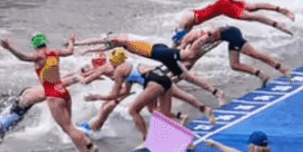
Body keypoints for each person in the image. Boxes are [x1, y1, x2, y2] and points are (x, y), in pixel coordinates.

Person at [0, 33, 99, 152]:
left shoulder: (38, 56)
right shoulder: (54, 52)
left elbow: (23, 56)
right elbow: (70, 51)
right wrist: (71, 41)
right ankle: (88, 146)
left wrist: (9, 47)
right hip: (62, 90)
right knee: (69, 126)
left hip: (53, 94)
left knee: (68, 129)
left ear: (34, 45)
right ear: (45, 42)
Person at [82, 49, 216, 140]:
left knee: (133, 110)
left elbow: (115, 93)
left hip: (153, 83)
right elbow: (125, 91)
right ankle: (201, 112)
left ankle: (146, 139)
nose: (110, 64)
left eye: (111, 61)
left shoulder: (119, 70)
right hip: (161, 77)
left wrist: (97, 97)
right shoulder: (130, 64)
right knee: (169, 106)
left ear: (115, 61)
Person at [76, 34, 226, 105]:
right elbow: (101, 45)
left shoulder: (120, 40)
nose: (109, 45)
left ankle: (210, 36)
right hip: (159, 54)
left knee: (189, 55)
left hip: (158, 52)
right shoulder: (119, 45)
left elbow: (101, 42)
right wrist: (83, 47)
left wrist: (81, 44)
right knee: (187, 76)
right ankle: (217, 92)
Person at [0, 73, 81, 152]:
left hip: (23, 101)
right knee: (51, 87)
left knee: (51, 88)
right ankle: (77, 74)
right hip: (26, 103)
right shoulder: (4, 130)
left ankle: (76, 77)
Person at [188, 25, 291, 85]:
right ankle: (261, 74)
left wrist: (211, 33)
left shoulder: (205, 36)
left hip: (233, 35)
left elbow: (213, 29)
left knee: (254, 54)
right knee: (234, 65)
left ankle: (280, 67)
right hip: (230, 36)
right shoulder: (198, 40)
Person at [172, 0, 294, 44]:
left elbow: (182, 38)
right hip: (222, 2)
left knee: (253, 17)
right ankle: (282, 10)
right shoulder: (188, 18)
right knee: (253, 7)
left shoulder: (186, 21)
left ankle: (278, 25)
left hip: (223, 7)